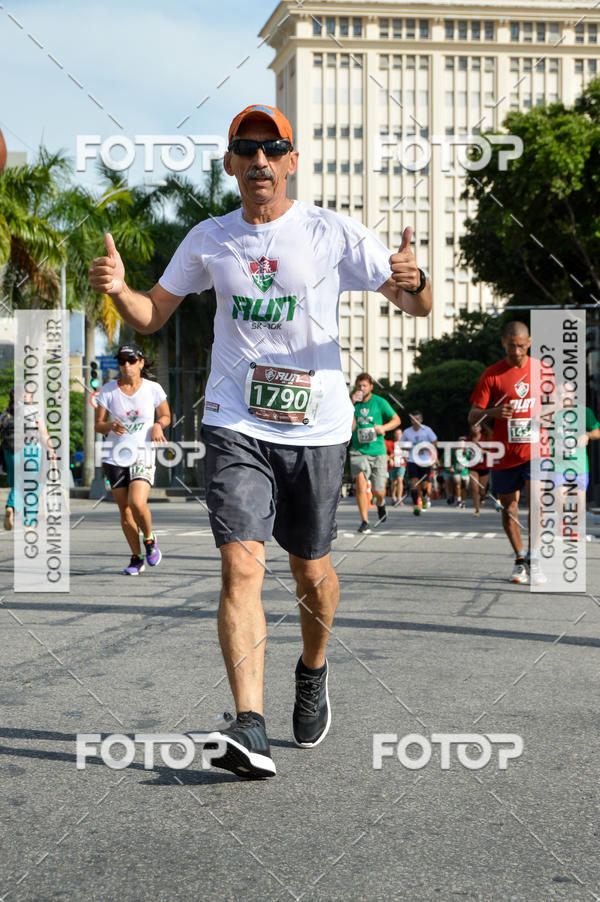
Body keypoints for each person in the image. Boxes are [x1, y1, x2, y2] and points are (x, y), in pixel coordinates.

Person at [90, 102, 432, 779]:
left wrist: (413, 280)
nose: (260, 161)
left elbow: (415, 305)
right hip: (235, 422)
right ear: (230, 166)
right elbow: (153, 315)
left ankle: (313, 667)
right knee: (241, 566)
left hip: (319, 428)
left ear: (292, 161)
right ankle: (249, 724)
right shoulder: (209, 239)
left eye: (273, 149)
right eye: (246, 150)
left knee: (312, 573)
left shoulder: (331, 232)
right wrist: (123, 290)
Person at [468, 321, 546, 585]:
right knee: (509, 507)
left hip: (535, 449)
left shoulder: (542, 371)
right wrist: (492, 412)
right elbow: (472, 417)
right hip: (503, 453)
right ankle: (519, 559)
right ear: (504, 343)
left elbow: (557, 404)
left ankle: (535, 558)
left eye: (522, 346)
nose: (517, 351)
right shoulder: (492, 375)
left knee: (536, 498)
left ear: (530, 342)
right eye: (512, 346)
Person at [94, 343, 171, 575]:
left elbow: (166, 415)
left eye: (131, 360)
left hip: (143, 453)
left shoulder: (153, 389)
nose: (126, 365)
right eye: (122, 361)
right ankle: (136, 557)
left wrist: (159, 425)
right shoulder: (108, 390)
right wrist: (109, 425)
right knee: (125, 512)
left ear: (140, 362)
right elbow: (98, 425)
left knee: (137, 503)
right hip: (114, 456)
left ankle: (149, 540)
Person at [349, 374, 400, 533]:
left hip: (378, 451)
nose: (361, 389)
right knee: (361, 486)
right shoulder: (352, 404)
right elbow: (349, 428)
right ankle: (364, 521)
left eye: (364, 386)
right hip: (358, 451)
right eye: (359, 386)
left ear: (371, 386)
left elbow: (396, 420)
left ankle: (380, 502)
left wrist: (383, 428)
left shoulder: (379, 402)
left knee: (379, 490)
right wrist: (350, 406)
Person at [552, 398, 600, 540]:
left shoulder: (584, 412)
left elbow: (597, 432)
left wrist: (587, 435)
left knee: (579, 500)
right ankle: (564, 522)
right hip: (559, 464)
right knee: (560, 496)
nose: (564, 395)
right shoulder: (552, 413)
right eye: (560, 393)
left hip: (579, 465)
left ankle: (573, 528)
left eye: (567, 392)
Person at [401, 411, 438, 515]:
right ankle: (416, 505)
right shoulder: (407, 432)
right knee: (414, 484)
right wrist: (410, 447)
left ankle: (425, 497)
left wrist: (427, 446)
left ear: (421, 420)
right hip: (412, 460)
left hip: (425, 461)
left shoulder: (427, 430)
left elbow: (435, 442)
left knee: (424, 485)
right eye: (413, 419)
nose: (416, 421)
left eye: (418, 419)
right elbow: (401, 444)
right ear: (411, 421)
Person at [468, 422, 491, 516]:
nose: (475, 428)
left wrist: (483, 451)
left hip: (484, 467)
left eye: (477, 426)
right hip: (473, 467)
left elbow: (493, 452)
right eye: (473, 426)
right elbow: (462, 451)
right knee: (475, 488)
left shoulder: (486, 438)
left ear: (481, 428)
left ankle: (482, 498)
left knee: (482, 490)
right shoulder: (468, 440)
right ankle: (477, 510)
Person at [0, 389, 15, 530]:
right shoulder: (30, 412)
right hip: (26, 450)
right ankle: (11, 506)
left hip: (8, 450)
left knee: (13, 482)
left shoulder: (6, 413)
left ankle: (12, 507)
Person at [386, 426, 406, 505]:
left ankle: (399, 498)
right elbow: (385, 454)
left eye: (400, 434)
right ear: (394, 434)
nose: (398, 435)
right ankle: (393, 497)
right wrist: (390, 459)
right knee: (393, 482)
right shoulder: (389, 443)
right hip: (393, 465)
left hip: (401, 464)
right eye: (397, 434)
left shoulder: (405, 444)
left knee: (400, 479)